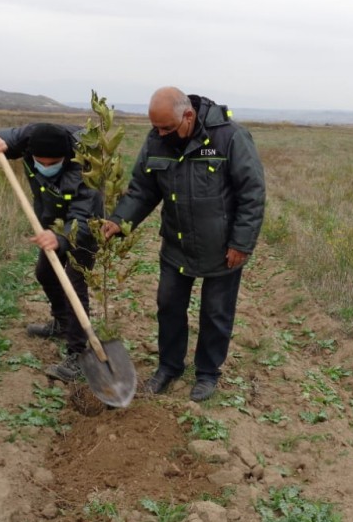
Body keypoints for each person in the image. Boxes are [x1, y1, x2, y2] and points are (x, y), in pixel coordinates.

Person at [102, 86, 266, 401]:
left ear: (188, 115)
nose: (160, 134)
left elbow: (252, 194)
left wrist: (242, 243)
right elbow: (142, 189)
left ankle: (207, 373)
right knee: (169, 305)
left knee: (216, 312)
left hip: (222, 248)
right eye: (156, 128)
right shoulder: (157, 140)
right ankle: (169, 366)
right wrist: (119, 221)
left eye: (167, 128)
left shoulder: (230, 137)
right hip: (176, 243)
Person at [0, 122, 103, 382]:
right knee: (45, 273)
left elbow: (82, 214)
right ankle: (61, 323)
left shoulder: (86, 164)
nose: (45, 167)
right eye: (39, 162)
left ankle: (78, 354)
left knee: (73, 285)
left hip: (85, 225)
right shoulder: (28, 137)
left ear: (66, 156)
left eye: (53, 162)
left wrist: (61, 238)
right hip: (51, 221)